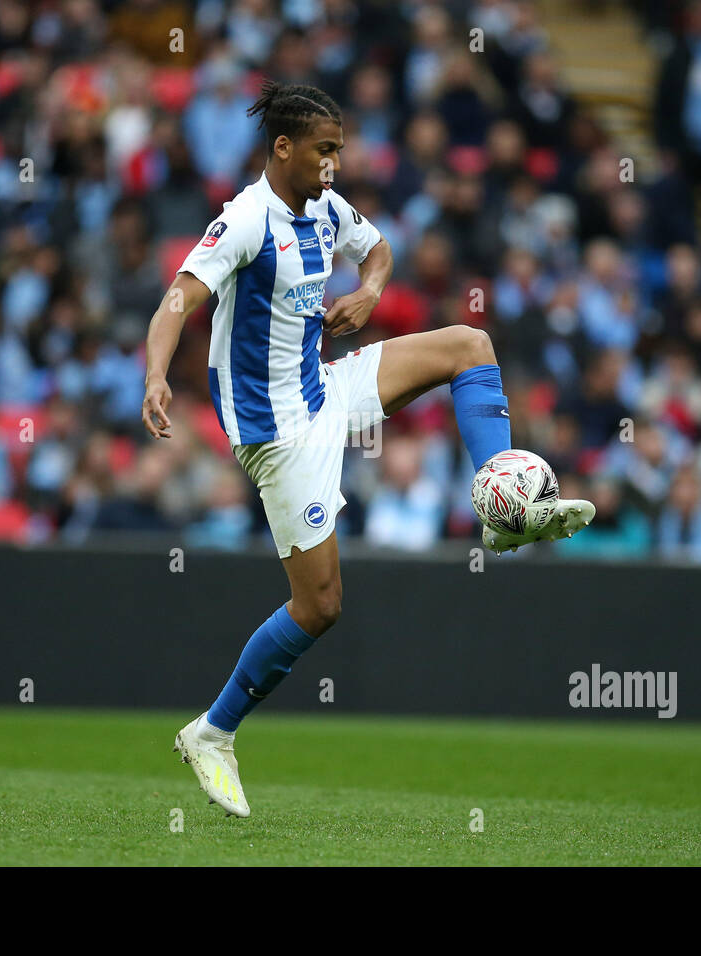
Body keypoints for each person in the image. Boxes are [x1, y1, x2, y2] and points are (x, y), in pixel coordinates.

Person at [141, 81, 594, 817]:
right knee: (320, 607)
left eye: (340, 150)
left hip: (323, 388)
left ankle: (501, 497)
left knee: (469, 344)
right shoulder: (246, 220)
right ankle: (212, 731)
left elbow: (378, 249)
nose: (334, 163)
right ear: (282, 148)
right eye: (324, 150)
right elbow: (177, 298)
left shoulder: (324, 205)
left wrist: (371, 292)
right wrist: (157, 374)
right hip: (278, 436)